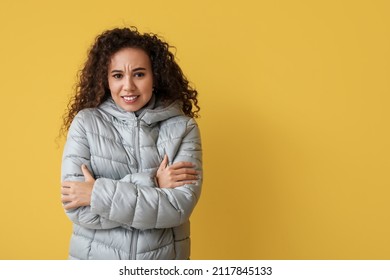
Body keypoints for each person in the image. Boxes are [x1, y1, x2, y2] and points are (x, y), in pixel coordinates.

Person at [60, 27, 202, 260]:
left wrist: (96, 193)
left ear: (155, 76)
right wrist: (153, 182)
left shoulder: (183, 128)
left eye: (138, 74)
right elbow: (79, 210)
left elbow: (177, 209)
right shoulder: (85, 124)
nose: (128, 86)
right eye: (117, 75)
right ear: (105, 80)